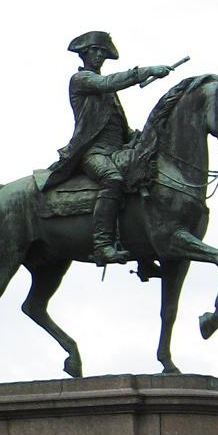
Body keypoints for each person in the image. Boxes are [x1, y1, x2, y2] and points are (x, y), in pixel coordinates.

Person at [46, 30, 175, 265]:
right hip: (92, 152)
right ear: (85, 53)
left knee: (144, 175)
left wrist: (140, 138)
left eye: (103, 52)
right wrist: (146, 71)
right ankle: (102, 245)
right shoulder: (82, 80)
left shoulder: (108, 92)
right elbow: (106, 82)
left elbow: (117, 123)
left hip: (116, 150)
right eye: (95, 51)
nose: (99, 56)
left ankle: (144, 254)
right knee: (112, 179)